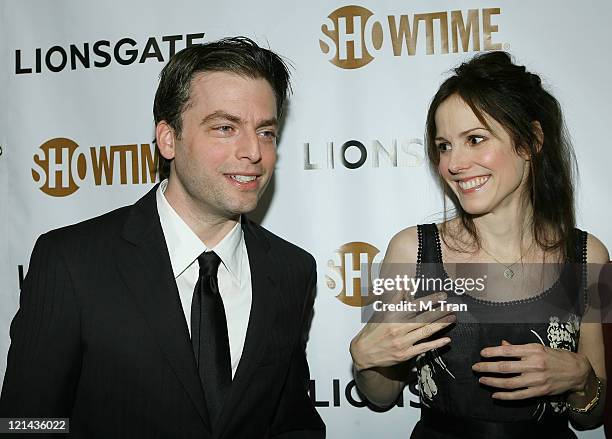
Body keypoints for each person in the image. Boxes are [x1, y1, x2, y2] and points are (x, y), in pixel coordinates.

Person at [0, 37, 325, 439]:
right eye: (225, 128)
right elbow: (26, 424)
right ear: (168, 138)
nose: (253, 152)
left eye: (266, 132)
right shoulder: (71, 262)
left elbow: (292, 422)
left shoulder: (292, 270)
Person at [350, 51, 608, 438]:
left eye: (475, 139)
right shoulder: (411, 251)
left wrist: (581, 378)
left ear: (531, 142)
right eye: (444, 145)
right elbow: (381, 396)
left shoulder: (589, 257)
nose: (454, 163)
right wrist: (366, 361)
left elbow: (591, 417)